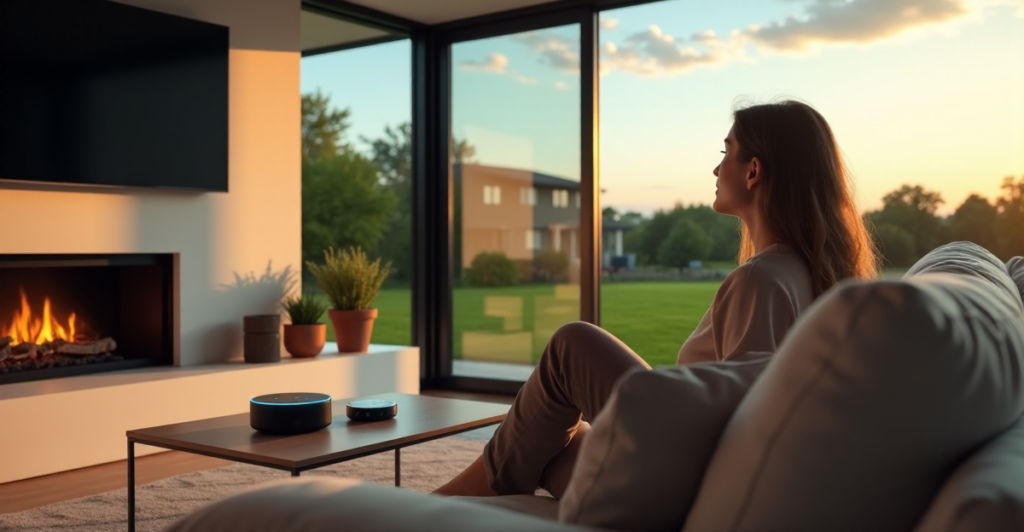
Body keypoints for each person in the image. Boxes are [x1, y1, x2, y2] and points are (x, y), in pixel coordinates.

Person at [434, 100, 879, 498]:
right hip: (682, 457)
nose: (717, 168)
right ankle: (463, 499)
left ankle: (440, 506)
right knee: (550, 440)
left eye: (726, 153)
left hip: (680, 473)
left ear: (753, 171)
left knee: (574, 344)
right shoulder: (808, 274)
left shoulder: (761, 279)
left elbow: (745, 425)